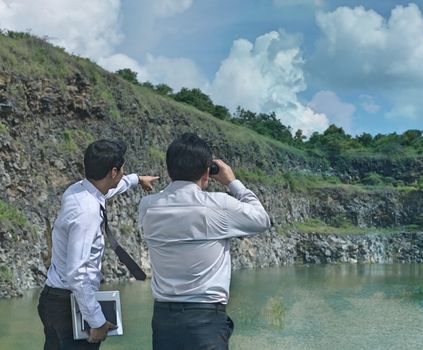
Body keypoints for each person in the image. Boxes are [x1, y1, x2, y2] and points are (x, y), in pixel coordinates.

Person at [139, 133, 271, 350]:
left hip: (163, 321)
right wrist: (232, 182)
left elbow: (171, 196)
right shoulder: (218, 205)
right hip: (205, 321)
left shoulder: (148, 206)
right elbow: (262, 219)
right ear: (207, 172)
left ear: (169, 169)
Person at [38, 139, 158, 349]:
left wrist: (137, 179)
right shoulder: (88, 213)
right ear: (113, 172)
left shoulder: (78, 190)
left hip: (53, 299)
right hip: (69, 306)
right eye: (122, 170)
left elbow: (112, 189)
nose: (123, 172)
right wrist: (97, 322)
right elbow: (78, 274)